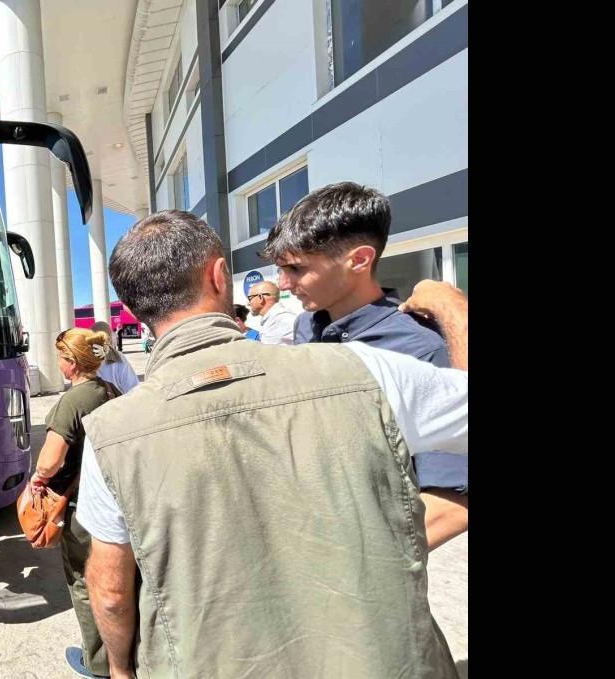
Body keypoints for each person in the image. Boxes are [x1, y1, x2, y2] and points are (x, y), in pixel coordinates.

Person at [78, 210, 468, 679]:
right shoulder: (367, 370)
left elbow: (111, 593)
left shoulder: (108, 432)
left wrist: (120, 669)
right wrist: (450, 305)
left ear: (133, 304)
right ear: (220, 275)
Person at [262, 181, 467, 550]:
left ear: (358, 260)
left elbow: (453, 503)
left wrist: (347, 564)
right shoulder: (306, 325)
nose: (285, 285)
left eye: (295, 269)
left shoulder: (421, 346)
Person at [31, 328, 122, 678]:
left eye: (61, 358)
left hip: (78, 507)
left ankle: (97, 661)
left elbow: (50, 461)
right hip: (110, 497)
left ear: (71, 363)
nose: (58, 363)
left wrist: (37, 479)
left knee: (84, 580)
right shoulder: (109, 390)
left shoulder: (74, 400)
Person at [90, 321, 140, 394]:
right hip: (119, 402)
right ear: (109, 336)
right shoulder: (117, 356)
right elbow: (132, 386)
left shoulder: (85, 358)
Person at [246, 280, 296, 345]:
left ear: (261, 298)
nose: (248, 303)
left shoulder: (283, 318)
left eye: (250, 298)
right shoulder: (272, 318)